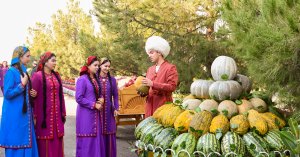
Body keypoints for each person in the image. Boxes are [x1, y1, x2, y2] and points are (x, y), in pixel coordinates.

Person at [0, 46, 39, 157]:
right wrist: (21, 85)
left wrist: (32, 94)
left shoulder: (23, 72)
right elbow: (7, 93)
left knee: (26, 141)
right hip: (15, 117)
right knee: (17, 142)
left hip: (24, 116)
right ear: (19, 57)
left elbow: (25, 92)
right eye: (27, 56)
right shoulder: (11, 72)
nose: (29, 59)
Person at [31, 52, 66, 157]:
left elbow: (61, 96)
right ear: (45, 62)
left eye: (55, 60)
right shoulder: (37, 76)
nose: (55, 63)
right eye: (53, 60)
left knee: (57, 142)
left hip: (57, 118)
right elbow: (32, 98)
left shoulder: (56, 76)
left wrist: (63, 112)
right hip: (44, 118)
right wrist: (35, 116)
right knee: (45, 144)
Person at [140, 36, 179, 117]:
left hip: (163, 108)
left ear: (159, 52)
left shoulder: (170, 68)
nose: (149, 55)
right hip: (149, 108)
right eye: (148, 53)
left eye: (151, 52)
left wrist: (153, 84)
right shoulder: (150, 69)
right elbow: (148, 88)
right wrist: (143, 92)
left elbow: (172, 87)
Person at [75, 56, 105, 157]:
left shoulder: (95, 79)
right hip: (85, 116)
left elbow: (98, 93)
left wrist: (101, 99)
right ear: (88, 66)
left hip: (96, 116)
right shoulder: (82, 79)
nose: (97, 67)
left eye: (98, 65)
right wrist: (93, 104)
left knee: (95, 141)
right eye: (95, 65)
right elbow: (78, 98)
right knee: (87, 142)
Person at [98, 57, 119, 157]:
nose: (107, 68)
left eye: (109, 67)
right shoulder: (94, 79)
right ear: (100, 66)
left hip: (109, 112)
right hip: (98, 112)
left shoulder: (112, 80)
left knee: (110, 134)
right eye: (105, 66)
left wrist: (116, 108)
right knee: (99, 135)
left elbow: (115, 95)